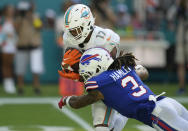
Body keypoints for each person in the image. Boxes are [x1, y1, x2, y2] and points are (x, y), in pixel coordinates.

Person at [58, 4, 149, 131]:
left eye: (76, 30)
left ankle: (124, 111)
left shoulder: (106, 39)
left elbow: (113, 69)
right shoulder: (68, 38)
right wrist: (76, 71)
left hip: (109, 82)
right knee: (105, 128)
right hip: (94, 84)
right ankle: (122, 115)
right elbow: (74, 65)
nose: (72, 33)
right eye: (70, 30)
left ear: (87, 24)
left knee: (102, 127)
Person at [59, 47, 188, 131]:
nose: (86, 74)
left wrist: (65, 100)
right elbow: (144, 72)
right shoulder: (123, 67)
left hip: (158, 114)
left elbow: (77, 103)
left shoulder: (99, 84)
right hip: (167, 102)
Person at [15, 1, 44, 95]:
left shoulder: (36, 16)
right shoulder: (19, 18)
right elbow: (16, 29)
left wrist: (30, 17)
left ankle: (36, 87)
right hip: (22, 46)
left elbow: (39, 26)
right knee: (20, 69)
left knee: (36, 69)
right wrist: (22, 17)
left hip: (34, 46)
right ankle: (20, 87)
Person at [0, 5, 17, 94]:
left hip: (12, 46)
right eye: (9, 10)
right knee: (5, 65)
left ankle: (10, 82)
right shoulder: (1, 21)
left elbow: (16, 33)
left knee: (10, 65)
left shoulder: (15, 21)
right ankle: (7, 84)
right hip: (4, 46)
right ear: (6, 11)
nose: (11, 12)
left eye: (12, 10)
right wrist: (5, 36)